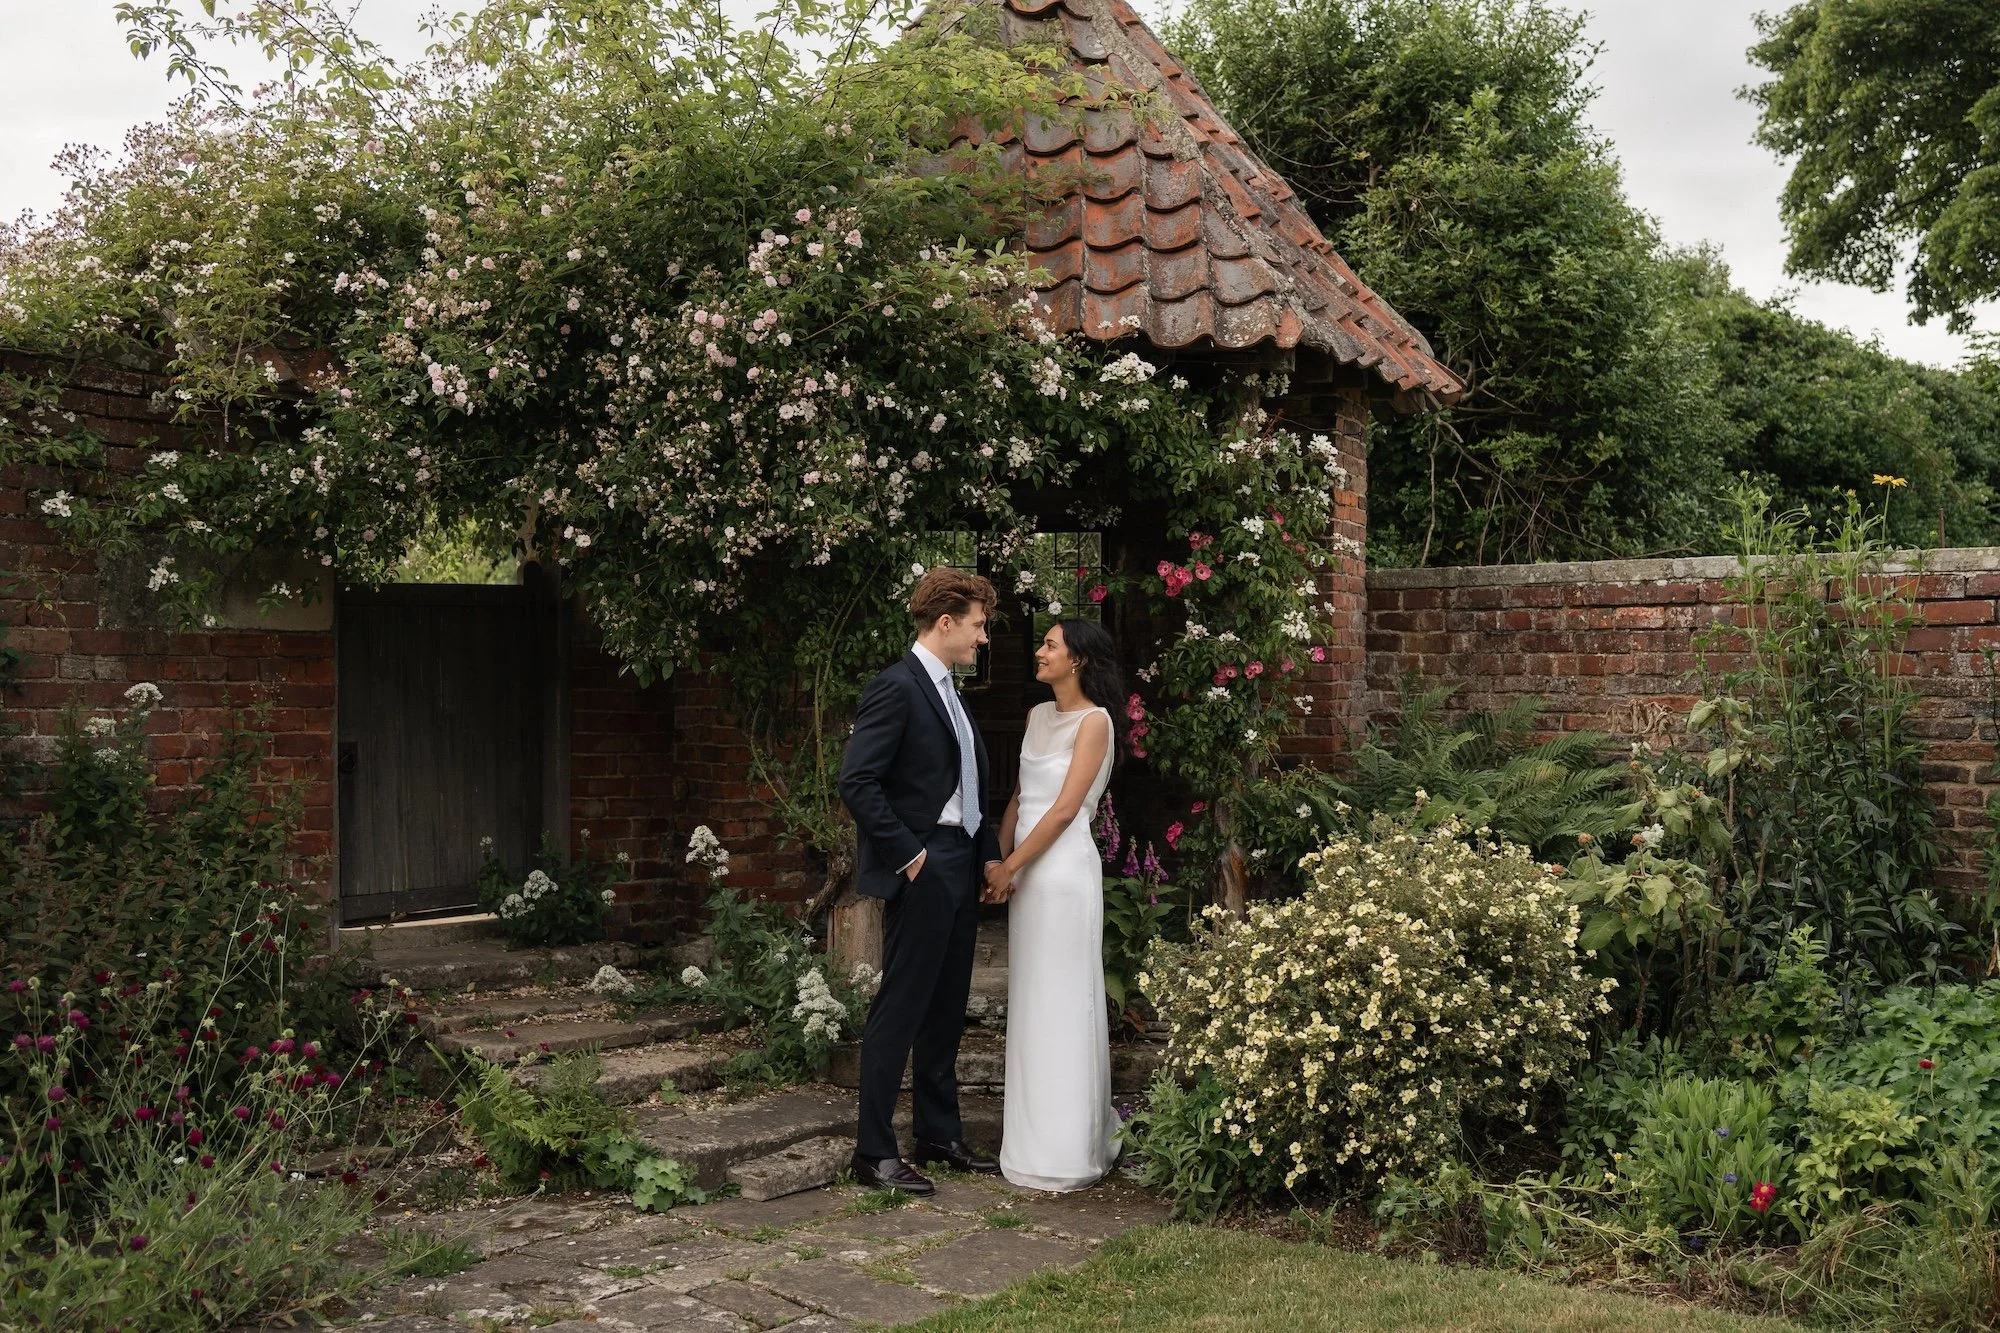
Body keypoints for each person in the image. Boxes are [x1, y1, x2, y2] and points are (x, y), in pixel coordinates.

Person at [837, 567, 1006, 1195]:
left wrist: (986, 854)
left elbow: (969, 786)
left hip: (959, 860)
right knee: (902, 1006)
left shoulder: (950, 691)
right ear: (945, 623)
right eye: (978, 625)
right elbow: (858, 782)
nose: (983, 638)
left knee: (945, 1006)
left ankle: (938, 1133)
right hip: (925, 864)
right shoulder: (897, 687)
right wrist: (911, 857)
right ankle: (874, 1150)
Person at [983, 618, 1124, 1192]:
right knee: (1034, 1000)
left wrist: (1010, 866)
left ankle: (1069, 1150)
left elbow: (1065, 811)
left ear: (1079, 661)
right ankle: (1029, 1143)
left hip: (1063, 874)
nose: (1039, 652)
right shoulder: (1037, 716)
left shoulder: (1096, 722)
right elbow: (1022, 795)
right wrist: (993, 860)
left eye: (1050, 645)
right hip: (1026, 880)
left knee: (1066, 1001)